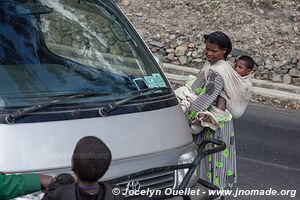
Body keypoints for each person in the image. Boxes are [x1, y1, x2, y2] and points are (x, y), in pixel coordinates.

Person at [186, 31, 237, 193]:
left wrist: (186, 117)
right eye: (207, 49)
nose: (209, 53)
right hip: (210, 120)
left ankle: (214, 193)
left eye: (213, 50)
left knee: (212, 159)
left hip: (213, 125)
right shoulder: (212, 66)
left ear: (224, 50)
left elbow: (205, 99)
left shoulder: (218, 72)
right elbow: (195, 88)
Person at [42, 136, 123, 200]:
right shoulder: (115, 193)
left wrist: (64, 178)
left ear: (73, 164)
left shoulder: (60, 194)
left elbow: (52, 194)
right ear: (106, 169)